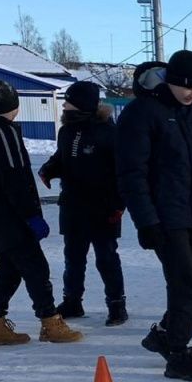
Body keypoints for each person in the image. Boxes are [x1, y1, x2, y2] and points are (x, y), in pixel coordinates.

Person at [116, 52, 192, 381]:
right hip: (166, 217)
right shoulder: (142, 113)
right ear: (172, 82)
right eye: (188, 88)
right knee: (184, 283)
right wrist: (146, 221)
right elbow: (131, 174)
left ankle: (165, 332)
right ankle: (178, 354)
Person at [0, 79, 83, 346]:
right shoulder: (3, 133)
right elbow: (15, 178)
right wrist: (31, 215)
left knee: (8, 268)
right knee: (36, 268)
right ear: (14, 106)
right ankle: (50, 322)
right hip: (11, 217)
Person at [38, 81, 127, 326]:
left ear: (84, 105)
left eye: (69, 102)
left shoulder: (109, 133)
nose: (64, 106)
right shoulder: (66, 131)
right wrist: (50, 168)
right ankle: (72, 301)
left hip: (103, 207)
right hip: (73, 205)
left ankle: (117, 304)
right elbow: (63, 156)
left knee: (106, 257)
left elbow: (122, 173)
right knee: (73, 258)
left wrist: (119, 205)